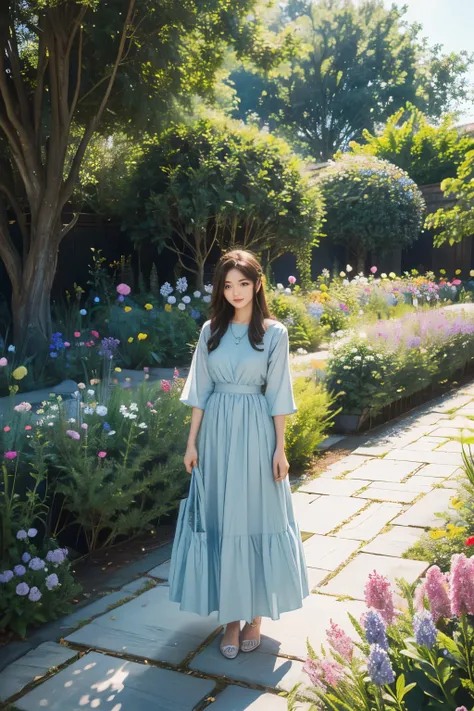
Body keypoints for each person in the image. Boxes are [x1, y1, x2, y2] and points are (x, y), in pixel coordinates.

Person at [168, 248, 310, 659]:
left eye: (243, 284)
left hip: (256, 433)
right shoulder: (210, 330)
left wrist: (280, 449)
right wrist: (192, 442)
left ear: (257, 284)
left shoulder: (274, 333)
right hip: (216, 433)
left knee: (257, 516)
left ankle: (256, 616)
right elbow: (200, 391)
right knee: (222, 520)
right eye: (228, 285)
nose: (235, 292)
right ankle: (231, 618)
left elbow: (280, 393)